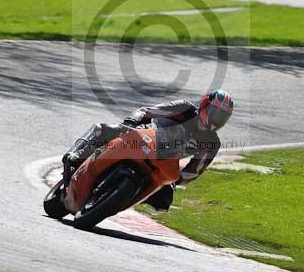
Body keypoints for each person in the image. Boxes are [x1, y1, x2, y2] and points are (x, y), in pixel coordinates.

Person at [62, 89, 234, 211]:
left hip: (163, 162)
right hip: (145, 135)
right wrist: (131, 121)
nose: (216, 119)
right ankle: (76, 154)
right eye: (214, 112)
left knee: (164, 200)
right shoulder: (183, 108)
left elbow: (195, 171)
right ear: (204, 105)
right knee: (103, 129)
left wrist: (177, 180)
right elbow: (147, 111)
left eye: (222, 117)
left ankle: (122, 199)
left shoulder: (211, 142)